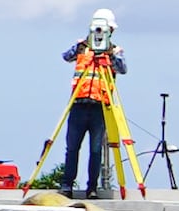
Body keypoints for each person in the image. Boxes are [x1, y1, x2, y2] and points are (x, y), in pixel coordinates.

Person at [47, 11, 130, 200]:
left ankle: (91, 187)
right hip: (78, 104)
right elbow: (66, 57)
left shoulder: (115, 50)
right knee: (72, 148)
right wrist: (81, 45)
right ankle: (67, 185)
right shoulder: (82, 48)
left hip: (99, 107)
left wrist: (109, 54)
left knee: (95, 149)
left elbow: (123, 69)